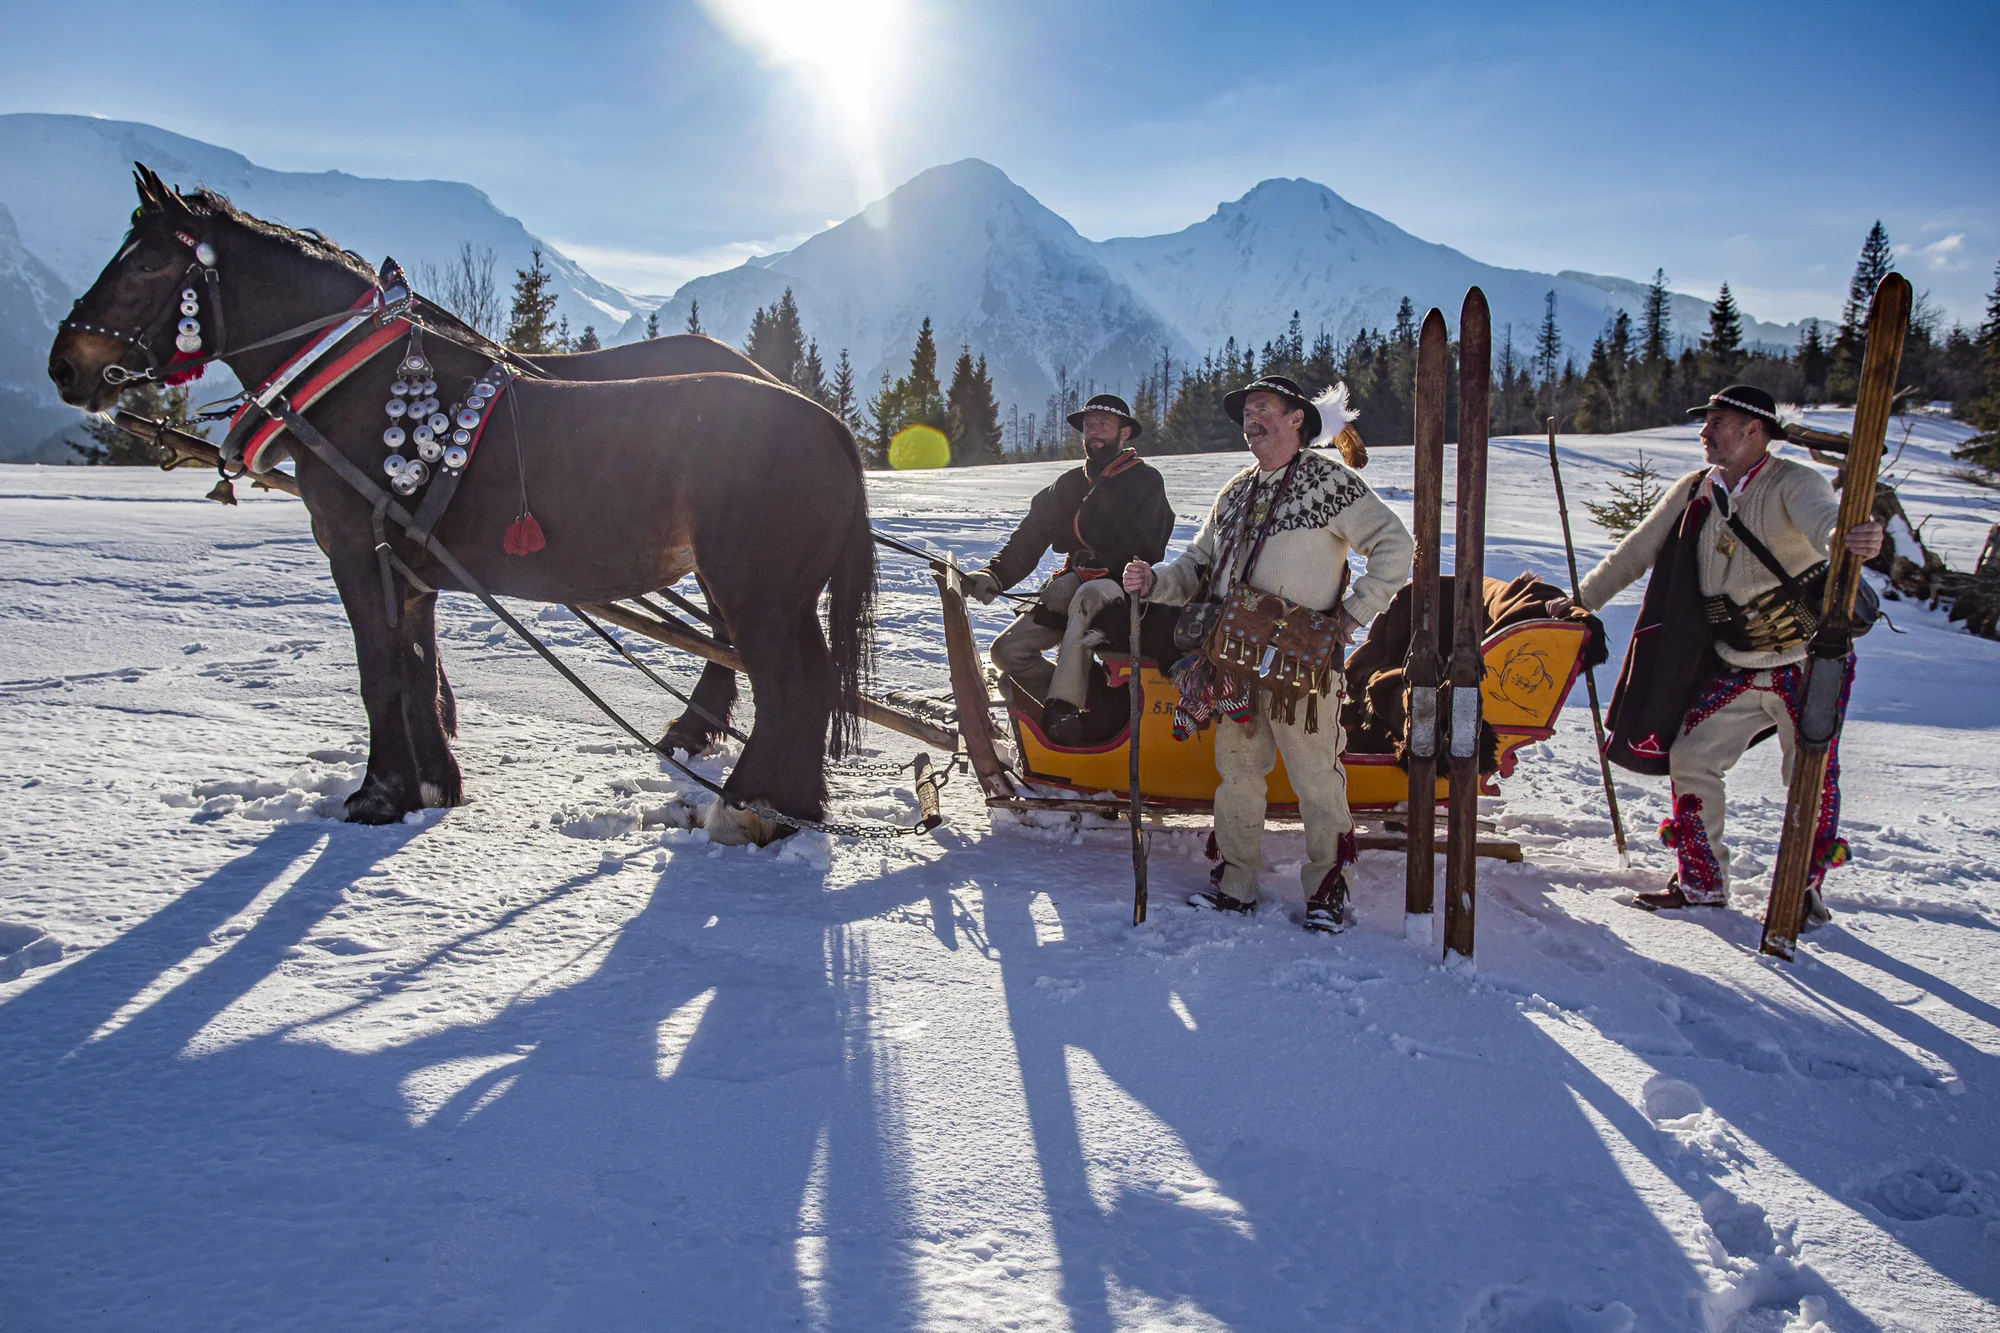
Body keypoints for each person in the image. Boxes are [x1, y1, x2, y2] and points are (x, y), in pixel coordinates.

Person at [1547, 385, 1884, 919]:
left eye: (1717, 422)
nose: (1705, 432)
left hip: (1806, 661)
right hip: (1739, 660)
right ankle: (1701, 882)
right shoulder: (1692, 489)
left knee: (1810, 772)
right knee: (1692, 757)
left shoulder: (1795, 482)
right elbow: (1633, 553)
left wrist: (1850, 538)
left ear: (1754, 429)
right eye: (1706, 422)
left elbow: (1827, 525)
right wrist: (1579, 602)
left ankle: (1801, 890)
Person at [1124, 376, 1413, 933]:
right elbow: (1195, 566)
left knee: (1316, 778)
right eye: (1246, 413)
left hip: (1302, 667)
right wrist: (1155, 580)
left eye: (1263, 409)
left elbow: (1395, 545)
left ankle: (1328, 889)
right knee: (1237, 773)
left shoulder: (1330, 482)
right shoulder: (1235, 491)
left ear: (1297, 419)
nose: (1251, 420)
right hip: (1233, 662)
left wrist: (1352, 615)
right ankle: (1236, 883)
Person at [965, 394, 1174, 746]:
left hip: (1120, 588)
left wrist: (1088, 573)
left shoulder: (1146, 481)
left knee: (1088, 593)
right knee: (1006, 652)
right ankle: (1097, 702)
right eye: (1089, 426)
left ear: (1124, 433)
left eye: (1103, 425)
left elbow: (1147, 547)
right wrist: (995, 574)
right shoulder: (1070, 483)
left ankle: (1063, 709)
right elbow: (1032, 533)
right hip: (1072, 585)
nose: (1094, 432)